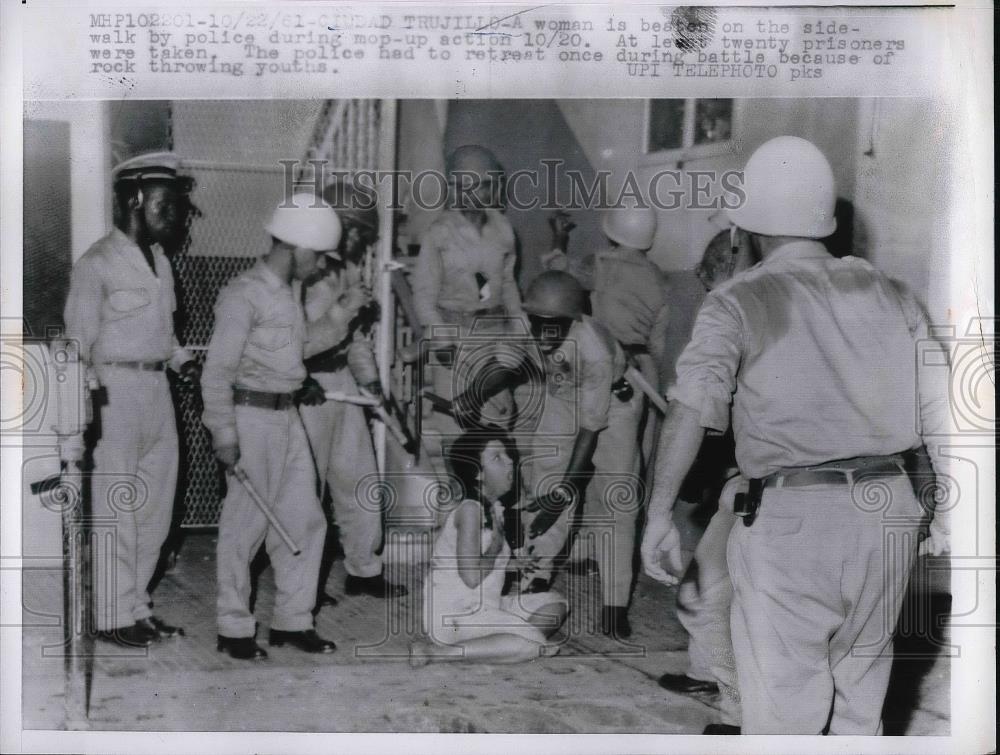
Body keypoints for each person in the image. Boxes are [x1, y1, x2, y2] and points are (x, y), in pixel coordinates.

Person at [641, 136, 950, 734]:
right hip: (888, 512)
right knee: (862, 703)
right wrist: (944, 513)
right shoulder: (890, 293)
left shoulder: (737, 301)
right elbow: (945, 413)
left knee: (784, 715)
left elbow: (689, 412)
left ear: (748, 227)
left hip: (793, 520)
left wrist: (657, 514)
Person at [454, 270, 643, 639]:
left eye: (552, 326)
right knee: (543, 480)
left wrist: (564, 494)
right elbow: (507, 368)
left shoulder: (593, 349)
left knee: (616, 498)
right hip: (563, 397)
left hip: (615, 407)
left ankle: (615, 604)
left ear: (571, 320)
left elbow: (591, 427)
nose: (542, 334)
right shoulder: (530, 325)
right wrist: (474, 393)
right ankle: (533, 579)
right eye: (537, 324)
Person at [63, 151, 200, 647]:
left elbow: (164, 332)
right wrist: (81, 416)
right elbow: (76, 346)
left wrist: (183, 360)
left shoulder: (161, 262)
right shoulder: (96, 264)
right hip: (113, 393)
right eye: (167, 204)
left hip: (156, 389)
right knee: (116, 509)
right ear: (135, 199)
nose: (176, 215)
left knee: (155, 509)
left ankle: (136, 608)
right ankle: (109, 613)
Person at [201, 193, 340, 660]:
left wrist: (345, 313)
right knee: (245, 526)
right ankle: (234, 628)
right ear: (297, 248)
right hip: (250, 416)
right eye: (317, 256)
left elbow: (295, 352)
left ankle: (292, 621)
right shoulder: (243, 294)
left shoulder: (287, 297)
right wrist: (223, 432)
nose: (319, 266)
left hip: (287, 416)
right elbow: (217, 371)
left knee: (305, 518)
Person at [655, 229, 757, 735]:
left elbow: (696, 405)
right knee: (703, 595)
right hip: (744, 484)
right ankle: (708, 677)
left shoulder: (744, 306)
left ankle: (742, 717)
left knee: (727, 602)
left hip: (772, 493)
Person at [541, 207, 670, 576]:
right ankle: (606, 558)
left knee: (577, 456)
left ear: (612, 232)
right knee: (623, 470)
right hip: (640, 374)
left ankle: (567, 553)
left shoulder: (598, 262)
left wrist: (559, 237)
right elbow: (657, 346)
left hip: (597, 365)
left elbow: (556, 279)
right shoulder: (660, 280)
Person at [298, 179, 407, 601]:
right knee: (306, 489)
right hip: (308, 387)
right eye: (358, 230)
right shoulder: (302, 269)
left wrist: (372, 382)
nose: (363, 241)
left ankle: (364, 569)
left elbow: (355, 339)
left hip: (342, 383)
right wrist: (298, 378)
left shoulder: (347, 271)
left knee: (360, 480)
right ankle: (301, 581)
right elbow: (288, 339)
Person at [409, 427, 567, 665]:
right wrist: (496, 547)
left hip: (488, 605)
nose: (510, 462)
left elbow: (485, 564)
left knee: (555, 604)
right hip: (458, 614)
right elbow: (471, 576)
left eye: (508, 455)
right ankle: (437, 653)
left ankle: (493, 642)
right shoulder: (470, 510)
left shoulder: (495, 508)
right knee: (531, 644)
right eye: (497, 457)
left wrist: (515, 563)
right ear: (477, 473)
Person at [411, 144, 524, 443]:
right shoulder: (439, 233)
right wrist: (441, 338)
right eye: (466, 185)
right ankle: (458, 487)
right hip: (455, 337)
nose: (476, 193)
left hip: (494, 335)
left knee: (497, 416)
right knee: (457, 425)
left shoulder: (503, 229)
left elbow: (507, 281)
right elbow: (423, 294)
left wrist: (519, 321)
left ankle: (495, 487)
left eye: (485, 185)